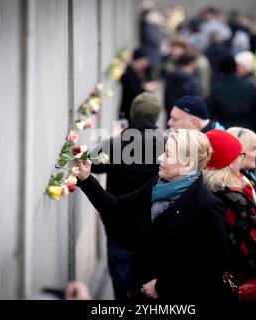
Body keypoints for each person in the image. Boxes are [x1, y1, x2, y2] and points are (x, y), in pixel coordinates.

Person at [76, 129, 228, 301]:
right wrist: (86, 179)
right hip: (140, 290)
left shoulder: (206, 205)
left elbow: (212, 266)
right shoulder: (157, 183)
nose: (160, 158)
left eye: (168, 154)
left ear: (187, 164)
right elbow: (117, 208)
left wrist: (163, 286)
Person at [90, 92, 164, 301]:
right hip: (152, 234)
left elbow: (92, 163)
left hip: (119, 229)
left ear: (132, 114)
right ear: (156, 116)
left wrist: (113, 139)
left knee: (122, 292)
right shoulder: (168, 145)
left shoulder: (118, 143)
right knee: (149, 293)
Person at [203, 129, 256, 300]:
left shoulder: (203, 188)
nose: (240, 160)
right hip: (232, 279)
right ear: (229, 162)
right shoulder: (235, 200)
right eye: (237, 156)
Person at [207, 55, 256, 142]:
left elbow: (208, 113)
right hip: (248, 132)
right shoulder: (250, 87)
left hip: (226, 133)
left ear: (221, 71)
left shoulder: (217, 89)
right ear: (236, 68)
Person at [119, 48, 158, 121]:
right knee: (117, 131)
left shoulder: (144, 72)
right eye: (144, 61)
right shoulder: (128, 73)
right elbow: (132, 92)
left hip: (139, 114)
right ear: (137, 60)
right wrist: (145, 88)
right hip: (125, 113)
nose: (146, 64)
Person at [164, 52, 202, 120]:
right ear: (191, 63)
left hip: (172, 118)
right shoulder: (192, 81)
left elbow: (167, 100)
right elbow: (197, 103)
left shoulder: (171, 77)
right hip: (188, 121)